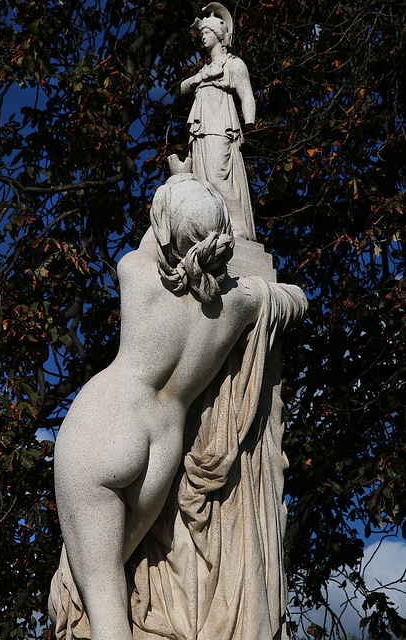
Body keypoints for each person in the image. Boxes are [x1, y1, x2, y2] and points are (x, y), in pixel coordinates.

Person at [51, 174, 272, 640]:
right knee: (104, 579)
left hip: (103, 426)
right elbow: (291, 299)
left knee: (103, 597)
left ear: (166, 227)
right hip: (163, 451)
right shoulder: (240, 305)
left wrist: (181, 182)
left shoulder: (136, 272)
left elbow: (159, 230)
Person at [179, 6, 257, 240]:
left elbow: (247, 96)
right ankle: (213, 227)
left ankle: (238, 225)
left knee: (217, 176)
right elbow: (181, 89)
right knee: (203, 181)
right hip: (200, 128)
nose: (202, 36)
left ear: (219, 35)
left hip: (220, 125)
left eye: (206, 31)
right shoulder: (204, 70)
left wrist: (250, 123)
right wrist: (196, 79)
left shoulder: (232, 64)